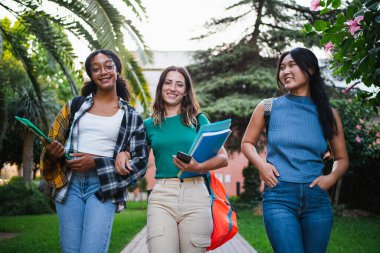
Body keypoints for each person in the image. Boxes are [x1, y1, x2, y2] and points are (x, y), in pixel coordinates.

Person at [40, 49, 149, 253]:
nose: (103, 72)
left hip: (103, 187)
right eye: (96, 68)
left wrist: (97, 162)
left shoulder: (131, 116)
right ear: (91, 75)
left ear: (117, 71)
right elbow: (52, 139)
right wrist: (53, 151)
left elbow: (141, 162)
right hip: (69, 184)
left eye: (109, 66)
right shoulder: (74, 106)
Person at [241, 47, 349, 253]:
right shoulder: (267, 107)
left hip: (316, 199)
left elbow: (342, 158)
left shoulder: (328, 113)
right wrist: (262, 166)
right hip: (279, 197)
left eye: (292, 65)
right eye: (282, 67)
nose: (285, 71)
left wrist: (331, 178)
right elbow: (247, 143)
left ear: (310, 70)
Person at [116, 66, 228, 253]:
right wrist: (124, 153)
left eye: (179, 84)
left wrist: (198, 166)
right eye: (168, 82)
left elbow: (223, 158)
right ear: (161, 87)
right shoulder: (149, 125)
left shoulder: (198, 120)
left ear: (185, 92)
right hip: (162, 196)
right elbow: (135, 152)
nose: (172, 88)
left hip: (196, 195)